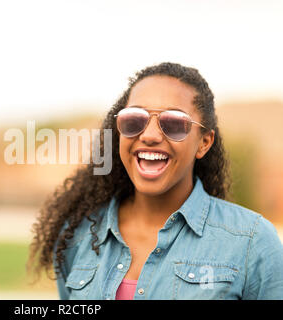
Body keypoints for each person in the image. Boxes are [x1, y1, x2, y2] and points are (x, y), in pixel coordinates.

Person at [27, 62, 283, 300]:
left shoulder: (251, 243)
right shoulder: (79, 235)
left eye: (174, 123)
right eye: (134, 119)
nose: (149, 135)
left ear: (204, 143)